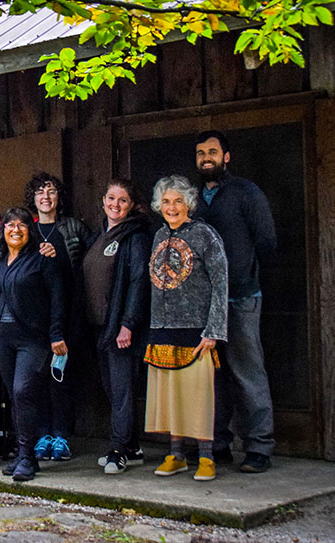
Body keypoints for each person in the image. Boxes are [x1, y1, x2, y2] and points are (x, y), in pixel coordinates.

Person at [193, 130, 277, 473]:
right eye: (200, 153)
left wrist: (245, 271)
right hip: (202, 301)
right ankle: (218, 444)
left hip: (241, 297)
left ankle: (258, 447)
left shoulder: (246, 192)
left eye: (212, 151)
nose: (206, 158)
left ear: (226, 156)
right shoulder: (192, 198)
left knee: (247, 371)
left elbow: (267, 241)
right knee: (212, 376)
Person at [145, 175, 228, 482]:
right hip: (163, 327)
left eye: (178, 201)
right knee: (172, 397)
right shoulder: (157, 236)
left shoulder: (205, 234)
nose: (172, 207)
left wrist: (213, 330)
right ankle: (176, 455)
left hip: (197, 329)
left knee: (198, 397)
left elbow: (221, 283)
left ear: (189, 203)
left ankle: (206, 458)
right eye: (166, 201)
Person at [0, 208, 68, 481]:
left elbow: (59, 298)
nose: (16, 229)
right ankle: (23, 454)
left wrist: (57, 333)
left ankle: (28, 457)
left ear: (30, 231)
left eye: (22, 225)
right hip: (2, 338)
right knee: (14, 395)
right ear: (3, 230)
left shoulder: (42, 259)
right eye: (10, 225)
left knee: (23, 392)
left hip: (33, 338)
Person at [82, 179, 151, 474]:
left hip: (121, 328)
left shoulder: (135, 236)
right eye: (111, 198)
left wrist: (128, 324)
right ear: (103, 200)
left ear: (132, 205)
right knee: (112, 389)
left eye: (123, 200)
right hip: (99, 326)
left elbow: (138, 282)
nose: (115, 204)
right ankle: (133, 446)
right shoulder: (100, 235)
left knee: (122, 389)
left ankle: (117, 450)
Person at [23, 171, 81, 461]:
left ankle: (61, 436)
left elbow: (80, 272)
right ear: (32, 199)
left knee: (62, 378)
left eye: (51, 192)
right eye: (40, 193)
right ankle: (42, 432)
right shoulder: (26, 231)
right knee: (38, 378)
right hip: (34, 318)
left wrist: (56, 258)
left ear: (60, 197)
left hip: (66, 317)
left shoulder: (72, 228)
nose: (46, 198)